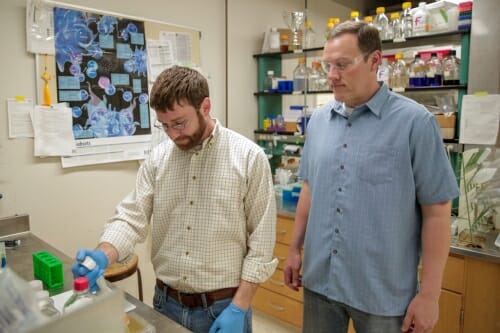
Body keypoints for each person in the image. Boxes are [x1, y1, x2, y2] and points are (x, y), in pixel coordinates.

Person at [283, 21, 460, 333]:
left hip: (382, 293)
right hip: (320, 281)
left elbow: (437, 213)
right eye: (327, 65)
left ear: (375, 61)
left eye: (342, 65)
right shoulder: (320, 121)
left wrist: (430, 295)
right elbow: (310, 188)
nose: (332, 75)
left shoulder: (415, 124)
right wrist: (295, 249)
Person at [72, 66, 278, 333]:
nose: (173, 134)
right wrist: (103, 254)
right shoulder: (158, 159)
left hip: (222, 307)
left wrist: (240, 307)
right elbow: (131, 217)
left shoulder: (249, 158)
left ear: (205, 107)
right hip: (165, 302)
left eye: (180, 123)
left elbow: (261, 243)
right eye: (165, 125)